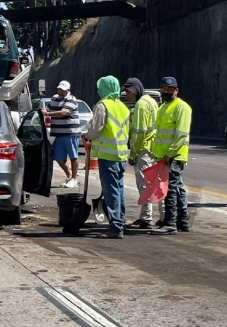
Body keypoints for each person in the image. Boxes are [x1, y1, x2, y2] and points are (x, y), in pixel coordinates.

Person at [84, 76, 131, 239]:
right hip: (122, 155)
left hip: (108, 155)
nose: (98, 90)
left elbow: (95, 129)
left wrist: (87, 136)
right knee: (118, 189)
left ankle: (116, 227)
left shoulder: (102, 106)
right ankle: (120, 221)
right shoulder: (123, 107)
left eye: (100, 87)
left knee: (111, 191)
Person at [150, 77, 193, 234]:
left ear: (176, 90)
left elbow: (181, 134)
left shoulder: (182, 107)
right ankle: (183, 221)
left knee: (171, 189)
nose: (167, 92)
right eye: (164, 89)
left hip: (173, 155)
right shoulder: (163, 108)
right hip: (164, 156)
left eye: (170, 89)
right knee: (178, 187)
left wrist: (170, 153)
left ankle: (171, 223)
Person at [123, 77, 163, 229]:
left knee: (144, 184)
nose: (127, 95)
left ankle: (146, 218)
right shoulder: (151, 101)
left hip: (144, 149)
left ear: (135, 90)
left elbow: (139, 132)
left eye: (128, 92)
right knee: (157, 183)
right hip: (154, 148)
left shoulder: (140, 105)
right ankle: (164, 216)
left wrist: (133, 154)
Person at [42, 81, 81, 188]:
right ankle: (69, 176)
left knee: (73, 156)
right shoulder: (54, 98)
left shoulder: (71, 100)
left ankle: (74, 179)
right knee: (59, 158)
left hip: (71, 133)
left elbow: (64, 113)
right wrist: (45, 110)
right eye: (59, 89)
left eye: (62, 90)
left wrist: (48, 113)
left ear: (68, 90)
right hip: (58, 134)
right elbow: (48, 108)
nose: (60, 91)